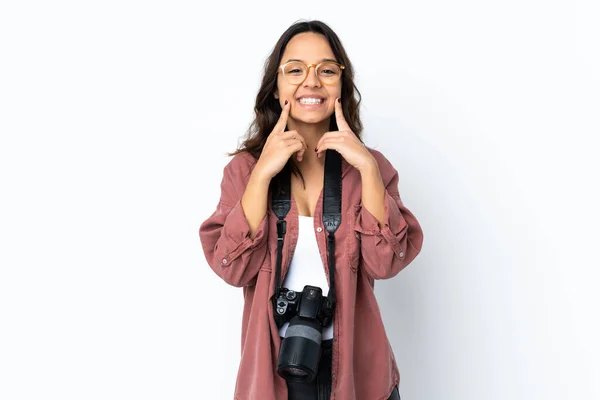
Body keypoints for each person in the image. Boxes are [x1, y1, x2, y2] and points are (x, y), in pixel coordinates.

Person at [199, 19, 423, 400]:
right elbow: (232, 268)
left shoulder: (372, 168)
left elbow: (386, 263)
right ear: (276, 87)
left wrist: (366, 167)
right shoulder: (244, 171)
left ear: (342, 83)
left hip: (358, 374)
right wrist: (262, 175)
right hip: (275, 375)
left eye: (327, 70)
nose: (312, 82)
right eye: (296, 69)